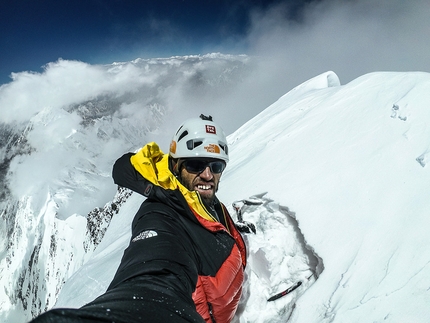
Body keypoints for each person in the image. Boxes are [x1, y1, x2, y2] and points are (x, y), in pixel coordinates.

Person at [29, 115, 247, 323]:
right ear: (175, 166)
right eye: (195, 165)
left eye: (216, 166)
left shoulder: (204, 203)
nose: (208, 175)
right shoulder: (160, 216)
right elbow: (154, 276)